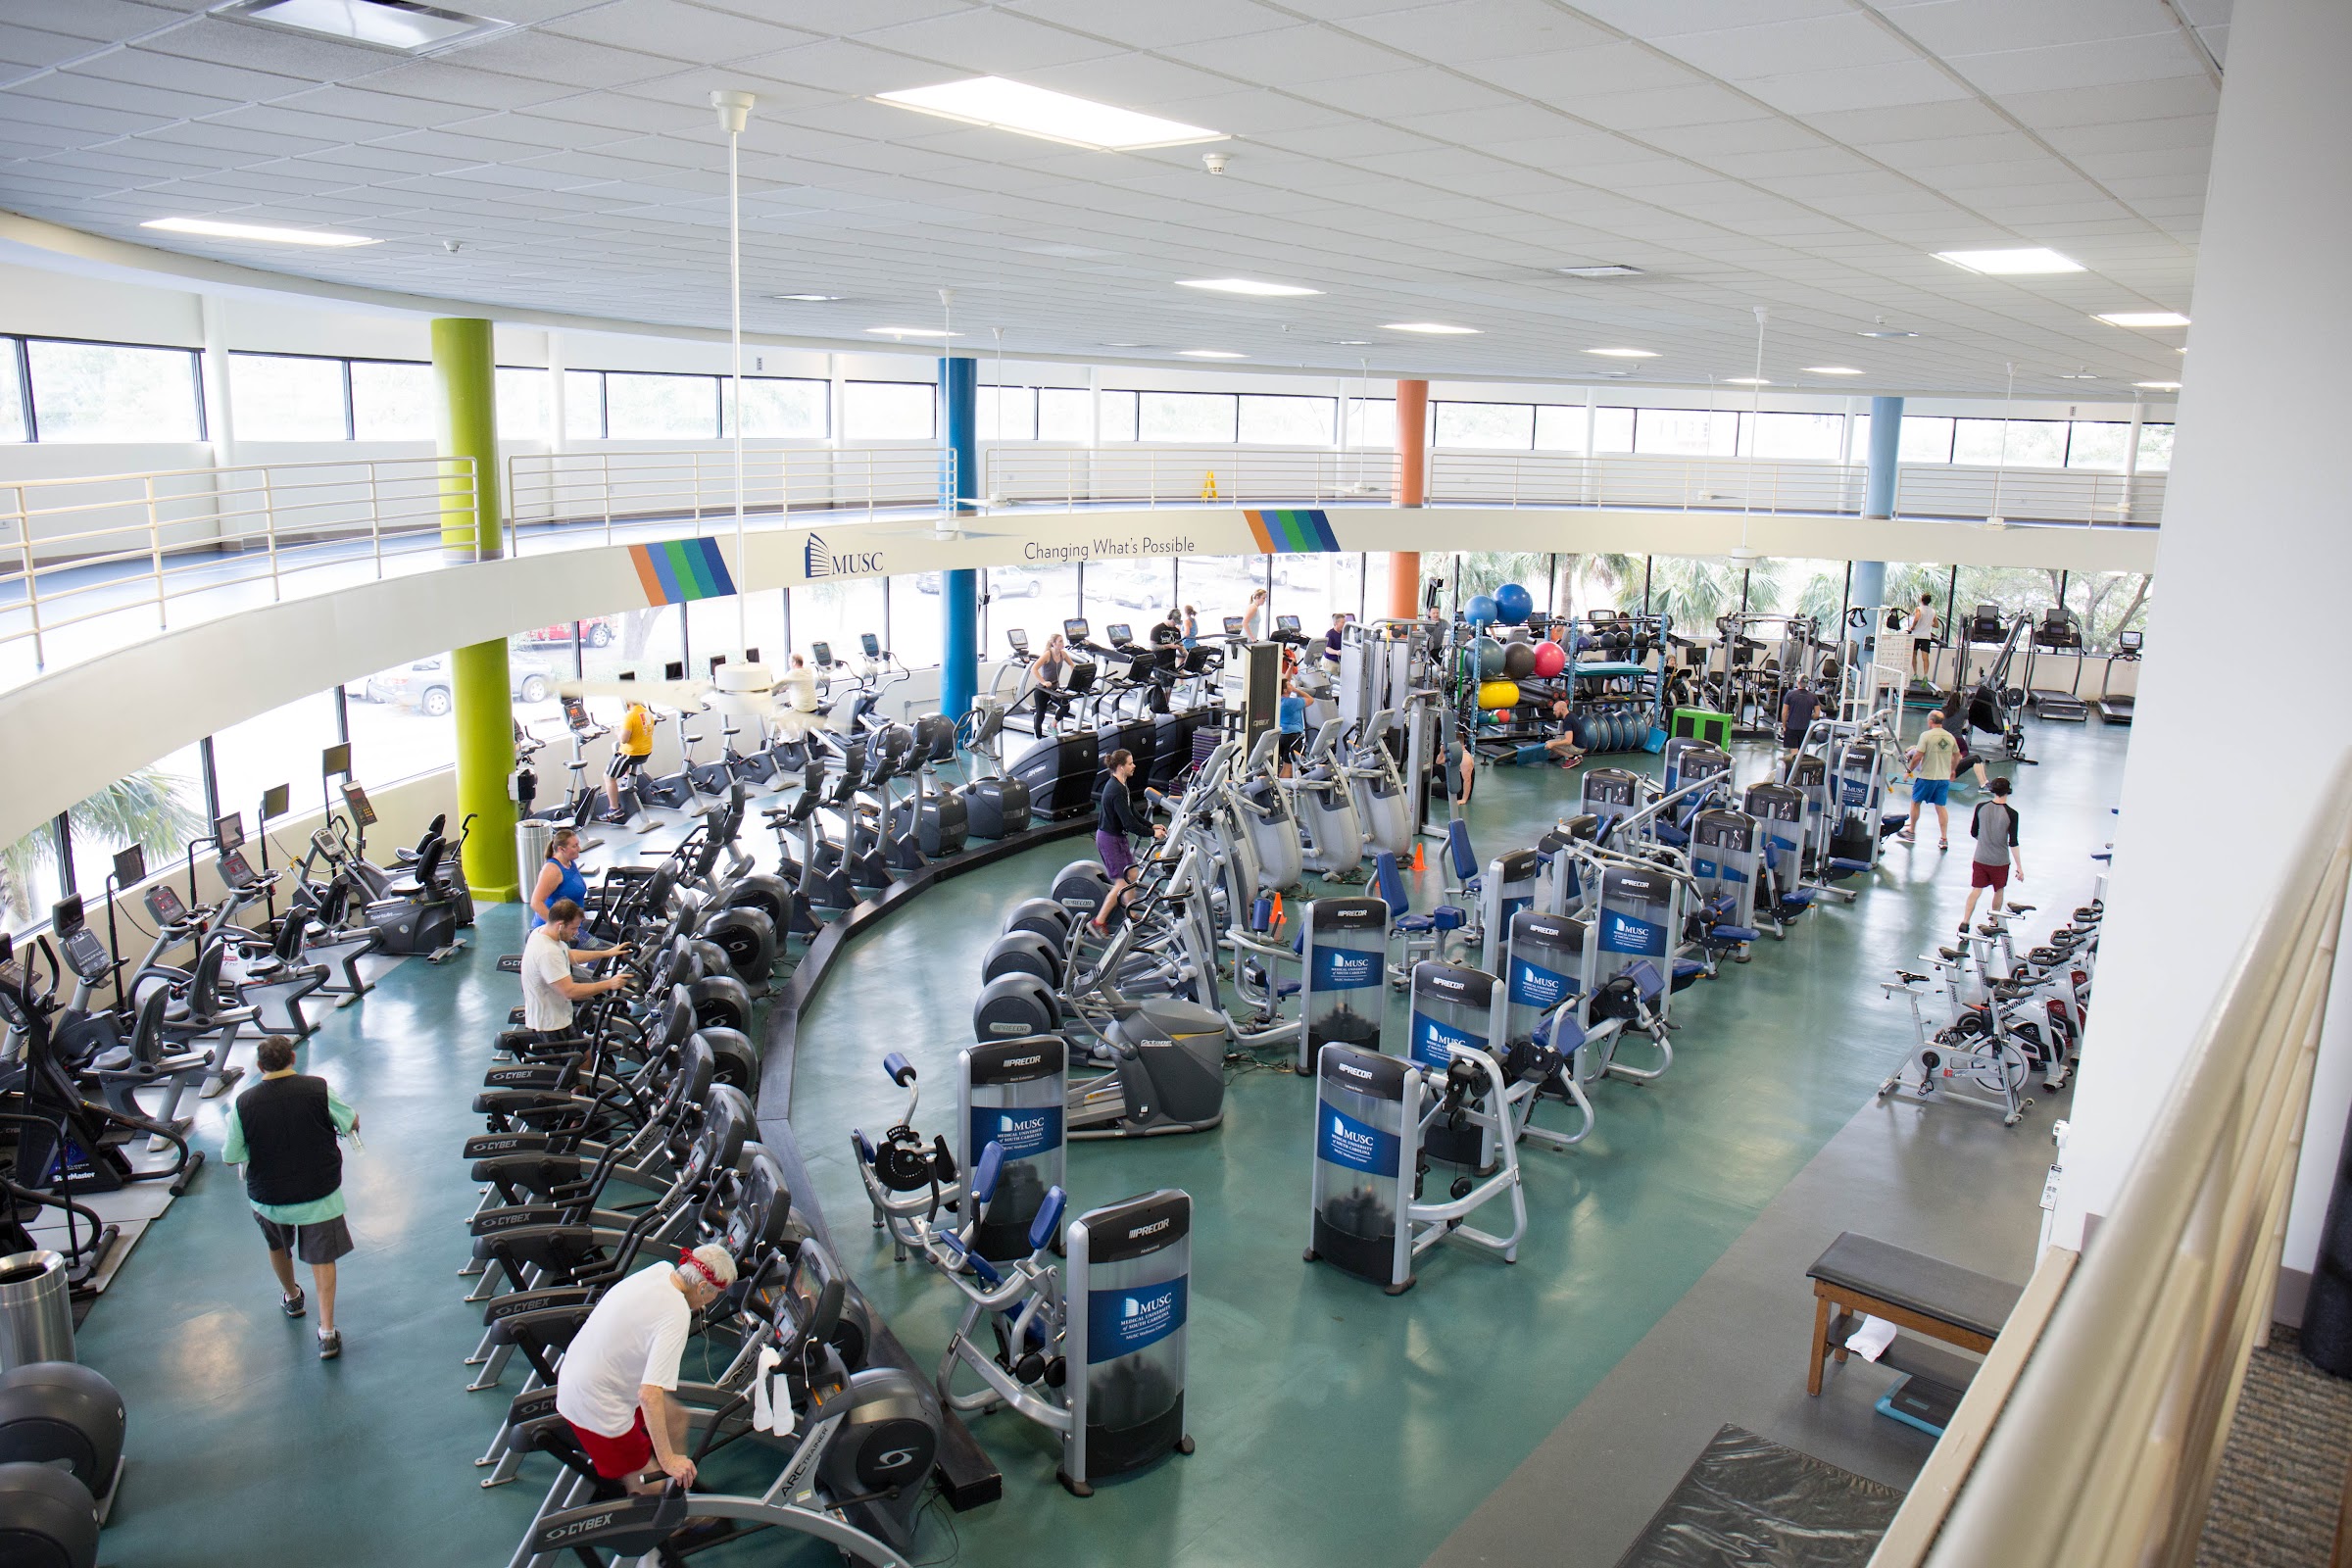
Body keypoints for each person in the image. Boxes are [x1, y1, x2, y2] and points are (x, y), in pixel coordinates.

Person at [556, 1245, 740, 1494]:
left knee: (676, 1419)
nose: (712, 1300)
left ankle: (678, 1489)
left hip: (589, 1372)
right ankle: (662, 1511)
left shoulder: (660, 1271)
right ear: (702, 1287)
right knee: (649, 1482)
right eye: (715, 1293)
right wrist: (668, 1460)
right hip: (595, 1402)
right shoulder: (676, 1316)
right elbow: (649, 1394)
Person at [221, 1034, 359, 1360]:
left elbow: (230, 1156)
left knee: (277, 1246)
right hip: (319, 1193)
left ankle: (293, 1297)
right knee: (322, 1258)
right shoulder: (318, 1089)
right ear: (293, 1059)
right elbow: (349, 1121)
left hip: (270, 1198)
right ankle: (327, 1332)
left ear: (260, 1066)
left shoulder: (243, 1103)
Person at [521, 898, 633, 1040]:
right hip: (551, 1024)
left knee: (586, 1051)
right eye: (573, 928)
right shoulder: (548, 952)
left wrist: (606, 953)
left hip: (561, 1013)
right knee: (582, 1054)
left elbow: (568, 955)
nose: (576, 933)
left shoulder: (541, 932)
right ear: (560, 925)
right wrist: (610, 984)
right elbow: (570, 991)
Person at [1090, 748, 1164, 936]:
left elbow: (1133, 813)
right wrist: (1151, 833)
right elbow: (1129, 823)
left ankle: (1129, 913)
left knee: (1132, 874)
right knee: (1122, 884)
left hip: (1118, 837)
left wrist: (1152, 826)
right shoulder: (1115, 790)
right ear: (1121, 767)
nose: (1134, 766)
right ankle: (1098, 922)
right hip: (1109, 840)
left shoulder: (1121, 785)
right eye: (1130, 763)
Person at [1959, 776, 2025, 933]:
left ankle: (1965, 921)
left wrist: (1984, 841)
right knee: (1999, 890)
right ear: (2008, 791)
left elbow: (1973, 832)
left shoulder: (1980, 807)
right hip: (2000, 861)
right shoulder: (2012, 814)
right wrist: (2019, 867)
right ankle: (1994, 920)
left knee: (1976, 889)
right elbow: (2013, 842)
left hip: (1980, 858)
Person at [1899, 710, 1962, 849]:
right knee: (1941, 807)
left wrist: (1908, 771)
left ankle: (1911, 831)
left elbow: (1917, 756)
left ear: (1931, 722)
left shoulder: (1926, 736)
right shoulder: (1950, 737)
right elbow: (1957, 756)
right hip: (1943, 779)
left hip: (1927, 777)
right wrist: (1952, 770)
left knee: (1915, 802)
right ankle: (1944, 838)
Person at [602, 699, 655, 823]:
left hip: (630, 754)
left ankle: (614, 809)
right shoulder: (647, 713)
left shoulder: (630, 716)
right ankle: (626, 778)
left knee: (608, 777)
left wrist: (617, 732)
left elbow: (624, 739)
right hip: (645, 752)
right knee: (616, 747)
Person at [527, 827, 588, 931]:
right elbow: (536, 902)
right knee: (594, 942)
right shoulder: (552, 870)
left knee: (595, 941)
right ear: (561, 849)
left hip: (573, 928)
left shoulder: (570, 863)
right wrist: (557, 928)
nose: (579, 848)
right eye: (575, 846)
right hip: (554, 931)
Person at [1024, 631, 1075, 728]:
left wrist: (1075, 676)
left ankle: (1052, 724)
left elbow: (1072, 665)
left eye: (1062, 641)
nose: (1062, 643)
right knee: (1040, 715)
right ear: (1053, 643)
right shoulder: (1047, 654)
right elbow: (1033, 669)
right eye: (1060, 641)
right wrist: (1043, 682)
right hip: (1042, 689)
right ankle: (1038, 736)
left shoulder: (1063, 654)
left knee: (1065, 706)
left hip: (1054, 689)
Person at [1779, 680, 1822, 769]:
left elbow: (1784, 713)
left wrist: (1784, 726)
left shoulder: (1790, 695)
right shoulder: (1813, 696)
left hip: (1792, 727)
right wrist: (1808, 716)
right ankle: (1799, 770)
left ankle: (1795, 772)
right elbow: (1817, 715)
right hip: (1805, 728)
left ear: (1798, 682)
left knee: (1794, 753)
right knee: (1801, 751)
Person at [1276, 676, 1307, 776]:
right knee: (1288, 767)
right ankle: (1282, 786)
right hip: (1292, 737)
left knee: (1285, 766)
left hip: (1282, 735)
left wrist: (1290, 668)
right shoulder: (1292, 702)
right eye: (1289, 685)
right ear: (1285, 690)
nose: (1291, 685)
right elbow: (1310, 700)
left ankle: (1279, 785)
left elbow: (1285, 680)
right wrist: (1296, 690)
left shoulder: (1279, 701)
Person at [1544, 697, 1585, 769]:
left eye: (1555, 711)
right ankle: (1577, 755)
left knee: (1551, 744)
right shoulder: (1572, 715)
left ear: (1562, 709)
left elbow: (1568, 741)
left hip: (1578, 748)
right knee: (1558, 738)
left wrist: (1552, 744)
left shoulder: (1567, 721)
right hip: (1582, 745)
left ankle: (1572, 758)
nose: (1554, 713)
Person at [1906, 593, 1939, 681]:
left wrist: (1912, 627)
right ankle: (1925, 676)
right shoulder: (1933, 611)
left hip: (1916, 635)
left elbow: (1917, 618)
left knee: (1914, 654)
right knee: (1925, 657)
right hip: (1926, 636)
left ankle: (1915, 674)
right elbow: (1936, 625)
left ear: (1921, 600)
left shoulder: (1919, 609)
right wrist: (1928, 623)